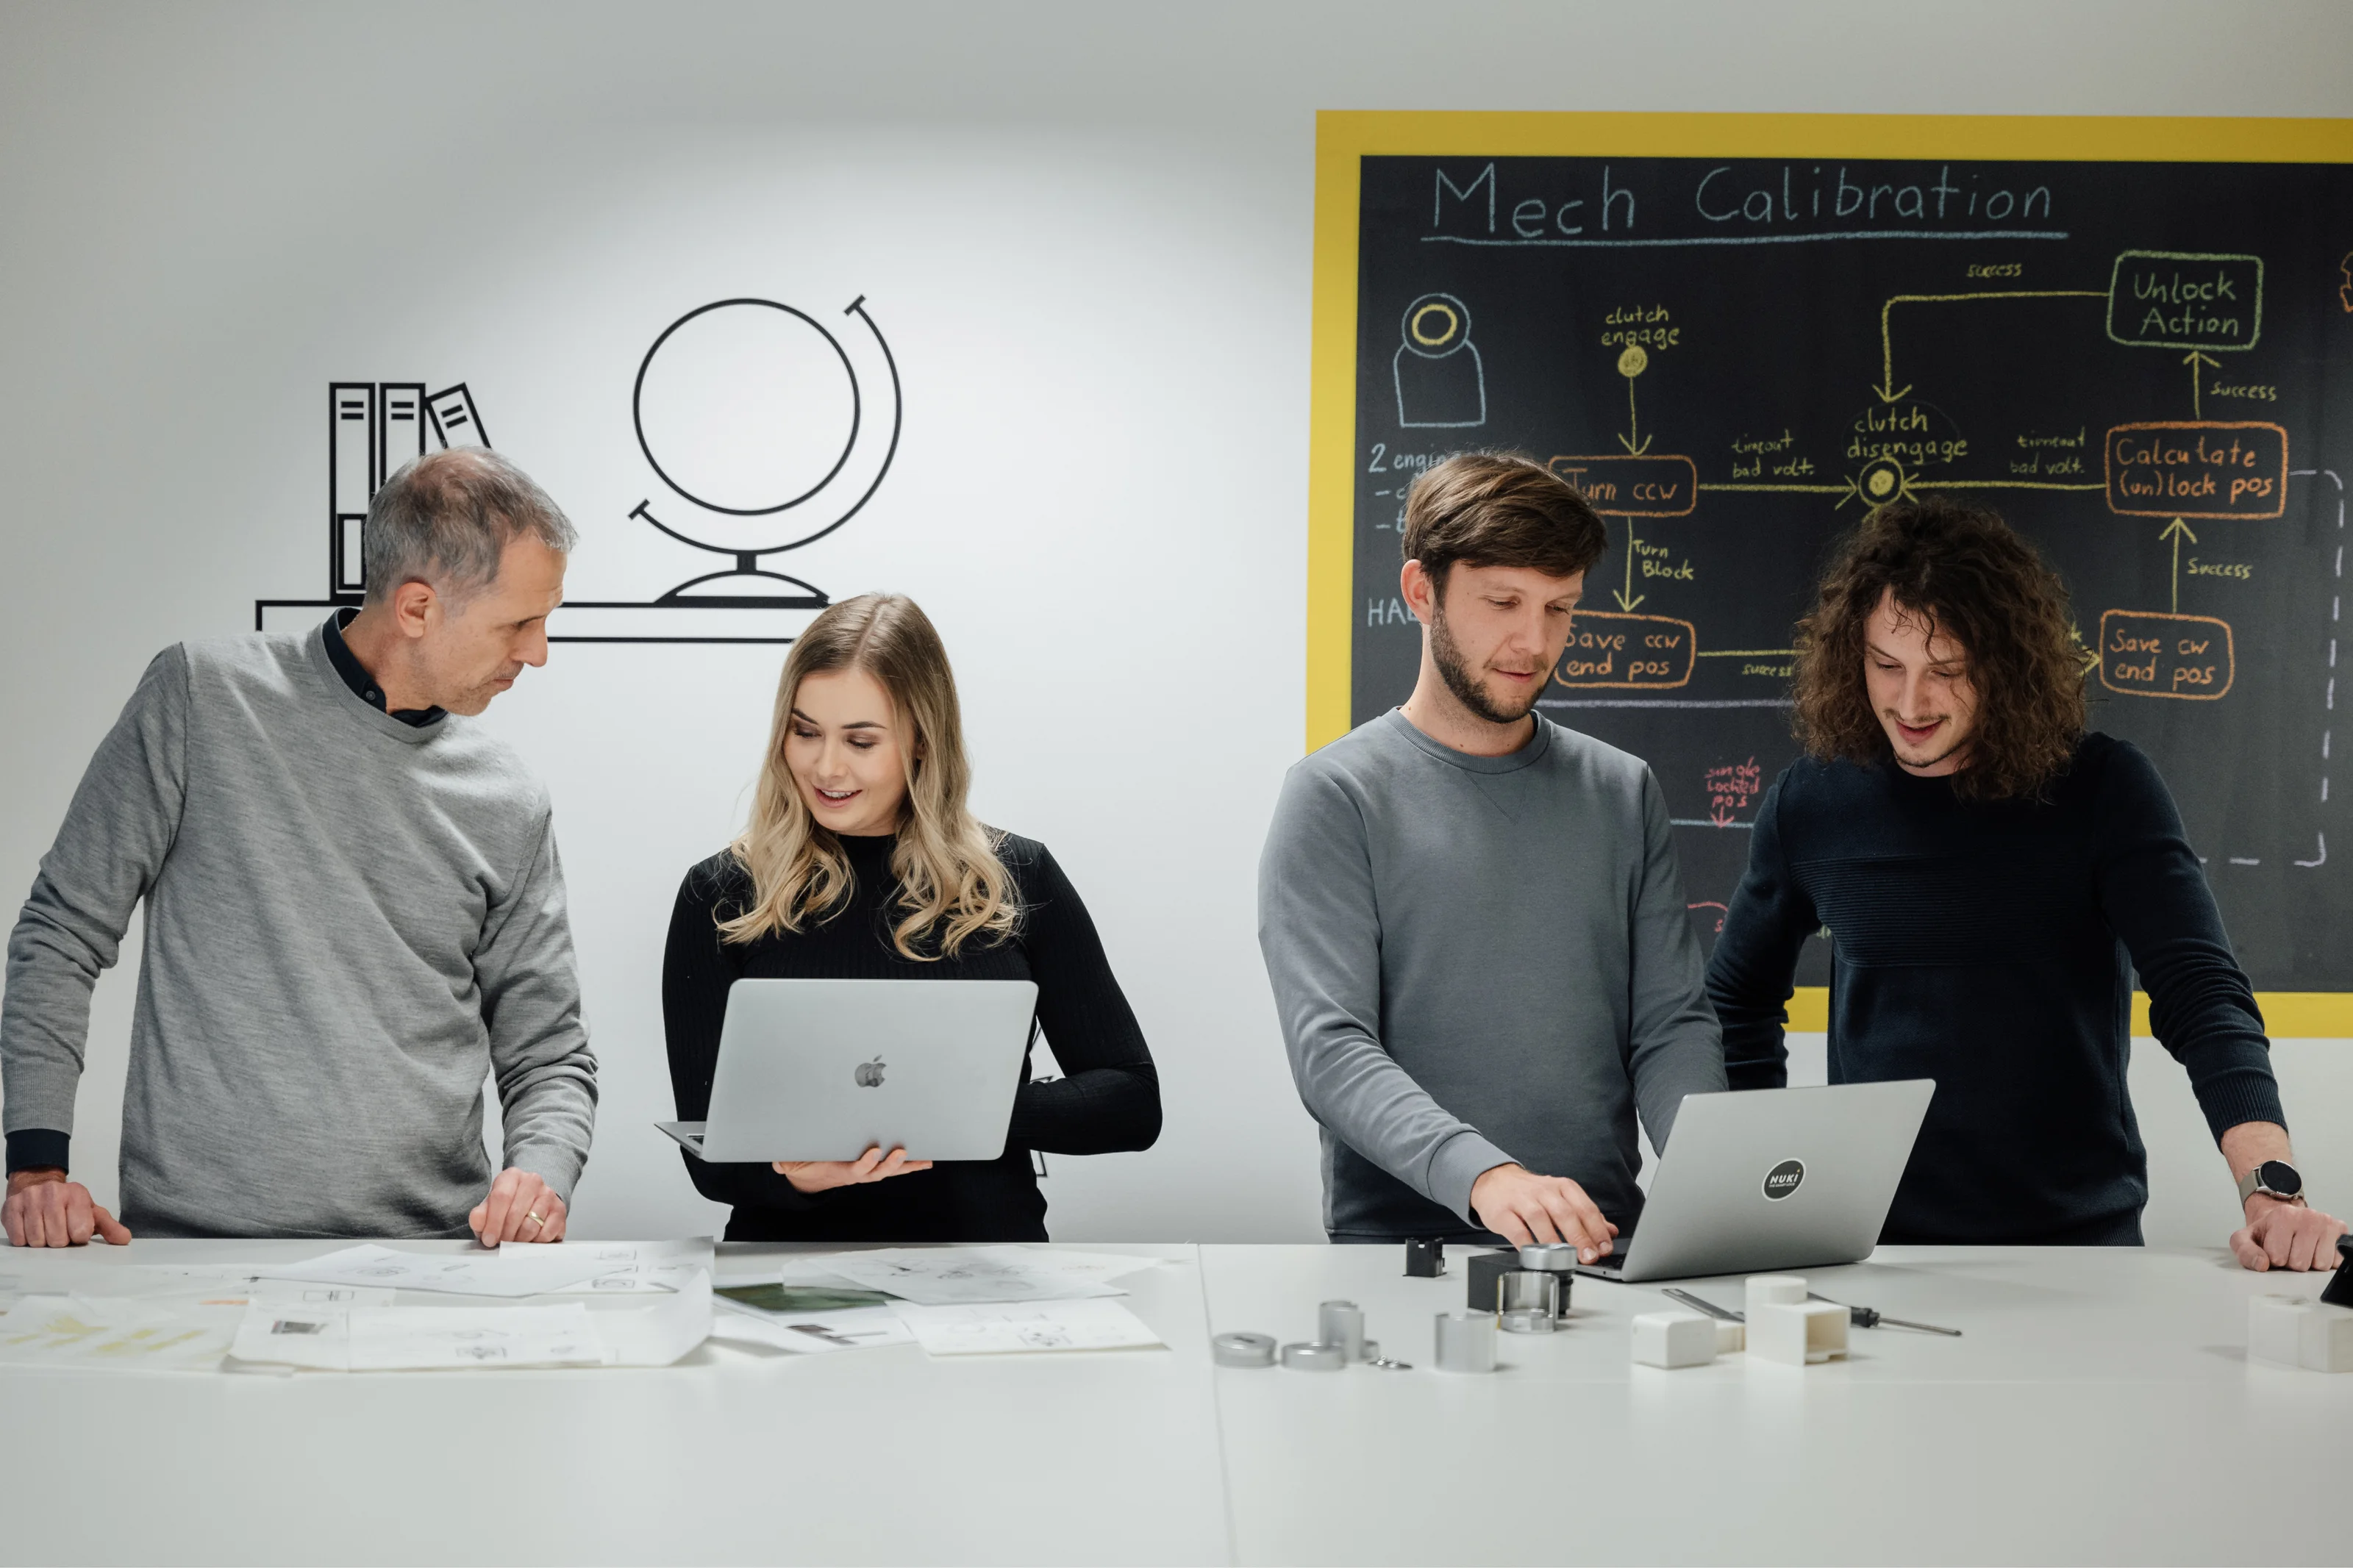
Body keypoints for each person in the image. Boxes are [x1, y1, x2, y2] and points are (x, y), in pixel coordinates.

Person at [1707, 496, 2346, 1270]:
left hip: (2075, 1251)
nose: (1908, 704)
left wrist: (2268, 1186)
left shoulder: (2104, 789)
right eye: (1886, 665)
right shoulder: (1810, 804)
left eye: (1945, 672)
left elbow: (2200, 994)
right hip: (1869, 1256)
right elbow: (1735, 1002)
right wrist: (1760, 1190)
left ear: (2004, 669)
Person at [1, 448, 598, 1247]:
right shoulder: (199, 699)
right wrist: (37, 1166)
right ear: (416, 607)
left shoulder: (509, 798)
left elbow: (551, 1053)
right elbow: (60, 935)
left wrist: (541, 1174)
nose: (537, 653)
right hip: (192, 1259)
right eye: (518, 624)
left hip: (431, 1261)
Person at [1257, 452, 1724, 1257]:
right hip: (1409, 1251)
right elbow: (1330, 1050)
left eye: (1559, 608)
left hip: (1603, 1246)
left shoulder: (1621, 789)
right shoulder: (1334, 797)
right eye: (1502, 602)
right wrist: (1486, 1176)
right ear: (1420, 593)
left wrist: (1718, 1181)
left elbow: (1667, 1024)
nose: (1533, 640)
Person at [662, 593, 1159, 1242]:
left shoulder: (1019, 877)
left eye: (861, 740)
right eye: (805, 731)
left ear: (923, 740)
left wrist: (959, 1112)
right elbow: (711, 1155)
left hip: (989, 1269)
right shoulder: (723, 892)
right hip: (786, 1280)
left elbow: (1131, 1103)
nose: (826, 765)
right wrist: (799, 1175)